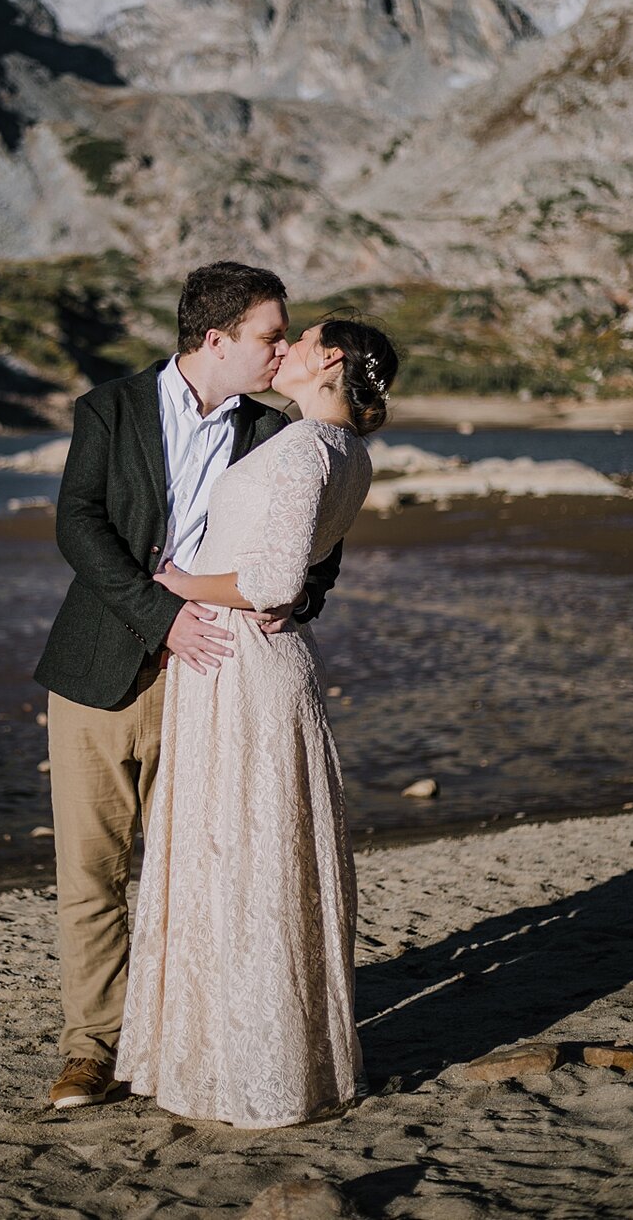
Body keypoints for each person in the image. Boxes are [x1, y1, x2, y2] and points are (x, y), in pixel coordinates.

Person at [34, 262, 345, 1109]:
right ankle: (90, 1051)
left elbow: (317, 542)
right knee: (92, 874)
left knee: (198, 870)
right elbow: (78, 524)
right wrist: (160, 615)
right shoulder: (112, 408)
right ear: (216, 339)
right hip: (99, 670)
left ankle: (180, 1039)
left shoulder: (275, 429)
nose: (282, 350)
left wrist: (300, 599)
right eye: (271, 336)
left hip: (215, 689)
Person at [114, 316, 398, 1128]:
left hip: (239, 664)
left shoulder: (311, 448)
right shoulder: (349, 451)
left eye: (300, 341)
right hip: (247, 663)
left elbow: (275, 580)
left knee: (240, 861)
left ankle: (249, 1068)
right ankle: (246, 1054)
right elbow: (293, 574)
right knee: (251, 858)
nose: (285, 352)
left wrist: (177, 584)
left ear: (331, 361)